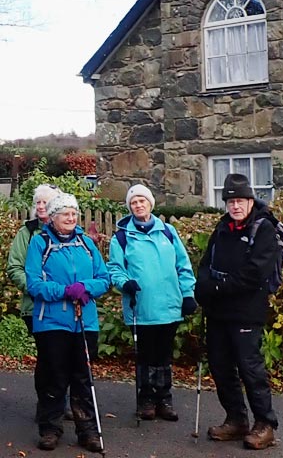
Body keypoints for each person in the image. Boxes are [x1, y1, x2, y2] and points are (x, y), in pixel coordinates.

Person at [195, 173, 279, 450]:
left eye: (240, 200)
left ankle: (265, 424)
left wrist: (217, 289)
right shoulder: (222, 229)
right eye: (230, 201)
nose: (235, 206)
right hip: (218, 313)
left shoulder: (263, 228)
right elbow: (206, 263)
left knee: (250, 369)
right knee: (221, 368)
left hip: (246, 312)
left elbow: (255, 273)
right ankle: (236, 419)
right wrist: (202, 286)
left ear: (251, 201)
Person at [25, 193, 110, 452]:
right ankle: (50, 428)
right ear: (53, 218)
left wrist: (85, 286)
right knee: (55, 376)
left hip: (85, 321)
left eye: (74, 213)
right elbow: (34, 284)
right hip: (52, 322)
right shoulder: (40, 243)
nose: (71, 218)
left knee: (83, 377)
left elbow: (104, 278)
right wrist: (65, 291)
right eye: (65, 214)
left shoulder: (85, 242)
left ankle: (88, 432)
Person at [107, 184, 197, 422]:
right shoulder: (122, 237)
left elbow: (183, 265)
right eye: (134, 202)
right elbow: (115, 268)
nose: (138, 205)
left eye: (142, 201)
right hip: (141, 306)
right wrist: (125, 283)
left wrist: (188, 294)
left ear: (150, 204)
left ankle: (164, 399)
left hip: (169, 306)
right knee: (145, 356)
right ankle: (146, 399)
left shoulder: (168, 232)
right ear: (129, 207)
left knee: (164, 356)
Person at [7, 183, 62, 333]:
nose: (41, 206)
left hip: (64, 306)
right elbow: (14, 267)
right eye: (38, 202)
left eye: (45, 202)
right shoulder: (27, 233)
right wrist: (35, 289)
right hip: (34, 306)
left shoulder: (66, 232)